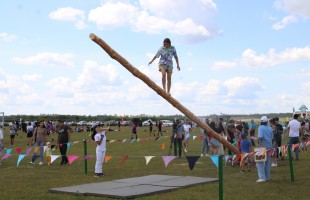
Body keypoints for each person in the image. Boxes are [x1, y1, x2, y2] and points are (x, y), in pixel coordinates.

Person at [256, 116, 273, 183]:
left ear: (261, 121)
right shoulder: (270, 128)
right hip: (270, 146)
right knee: (267, 162)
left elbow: (261, 137)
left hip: (262, 146)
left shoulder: (260, 127)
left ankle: (262, 178)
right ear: (267, 122)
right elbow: (272, 137)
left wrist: (256, 139)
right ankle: (267, 177)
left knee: (260, 162)